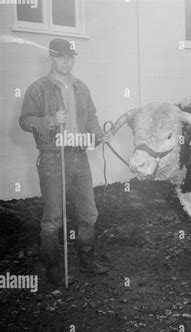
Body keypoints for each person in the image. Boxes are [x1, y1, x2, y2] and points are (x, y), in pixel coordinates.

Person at [19, 38, 110, 286]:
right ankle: (54, 269)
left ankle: (87, 259)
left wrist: (98, 133)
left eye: (70, 57)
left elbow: (91, 117)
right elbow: (25, 120)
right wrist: (49, 120)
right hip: (52, 157)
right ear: (51, 58)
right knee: (53, 218)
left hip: (79, 156)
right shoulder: (38, 89)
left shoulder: (81, 87)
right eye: (61, 57)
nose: (66, 61)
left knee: (89, 212)